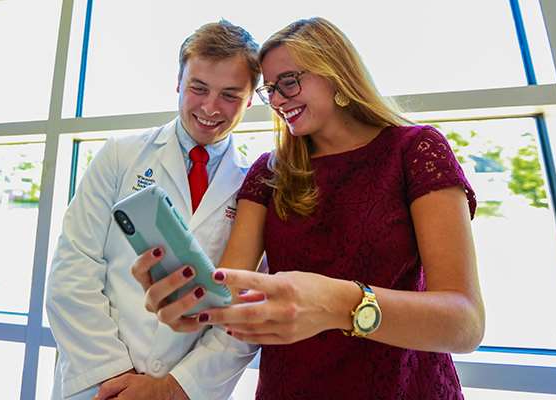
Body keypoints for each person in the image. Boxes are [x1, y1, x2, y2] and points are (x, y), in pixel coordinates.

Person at [134, 17, 485, 399]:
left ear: (336, 73)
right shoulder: (269, 172)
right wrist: (190, 299)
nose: (280, 100)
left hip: (405, 389)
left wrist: (338, 304)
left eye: (289, 81)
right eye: (271, 89)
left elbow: (464, 323)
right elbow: (229, 287)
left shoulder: (414, 151)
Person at [45, 20, 263, 400]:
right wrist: (116, 376)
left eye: (230, 95)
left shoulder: (253, 187)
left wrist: (171, 388)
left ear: (250, 97)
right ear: (178, 82)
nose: (210, 107)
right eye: (198, 88)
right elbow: (73, 270)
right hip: (99, 383)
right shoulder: (120, 156)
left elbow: (243, 314)